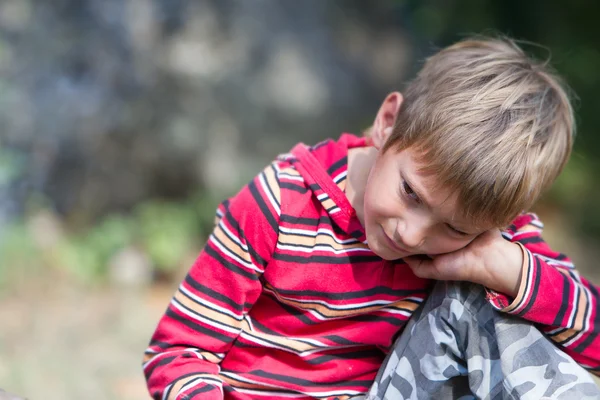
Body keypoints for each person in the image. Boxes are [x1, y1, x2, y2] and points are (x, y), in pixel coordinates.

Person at [143, 37, 600, 400]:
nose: (411, 233)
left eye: (454, 228)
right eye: (410, 193)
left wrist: (510, 271)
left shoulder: (489, 237)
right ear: (387, 122)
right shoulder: (280, 202)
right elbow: (178, 351)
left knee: (490, 298)